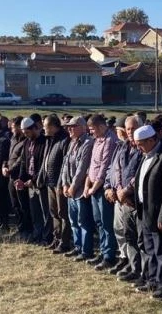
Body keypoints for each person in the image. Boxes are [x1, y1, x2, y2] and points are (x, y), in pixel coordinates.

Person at [133, 124, 162, 299]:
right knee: (149, 249)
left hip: (159, 213)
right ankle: (152, 280)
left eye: (141, 143)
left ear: (152, 140)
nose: (138, 147)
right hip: (144, 210)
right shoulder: (146, 155)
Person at [105, 116, 142, 279]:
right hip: (120, 198)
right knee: (122, 231)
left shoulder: (143, 148)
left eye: (133, 129)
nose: (130, 132)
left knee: (137, 237)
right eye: (128, 129)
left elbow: (139, 173)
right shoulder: (122, 147)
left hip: (134, 200)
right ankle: (128, 262)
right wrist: (114, 188)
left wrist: (125, 191)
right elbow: (116, 170)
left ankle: (139, 269)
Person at [84, 114, 119, 269]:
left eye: (92, 129)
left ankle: (109, 256)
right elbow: (92, 165)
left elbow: (104, 168)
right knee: (98, 222)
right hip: (93, 188)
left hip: (101, 188)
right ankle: (103, 251)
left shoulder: (110, 141)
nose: (91, 132)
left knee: (106, 223)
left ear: (100, 126)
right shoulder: (97, 140)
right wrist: (87, 185)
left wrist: (93, 188)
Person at [61, 116, 95, 260]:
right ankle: (77, 247)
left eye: (73, 126)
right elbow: (65, 165)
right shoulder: (72, 143)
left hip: (80, 190)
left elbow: (82, 168)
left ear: (82, 127)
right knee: (74, 221)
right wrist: (64, 184)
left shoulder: (88, 143)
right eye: (68, 126)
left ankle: (86, 251)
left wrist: (73, 186)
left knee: (83, 222)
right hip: (70, 190)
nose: (69, 129)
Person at [40, 114, 71, 252]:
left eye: (46, 126)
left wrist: (60, 183)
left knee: (63, 213)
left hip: (59, 183)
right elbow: (46, 160)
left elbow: (65, 164)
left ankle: (64, 242)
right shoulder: (50, 140)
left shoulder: (64, 140)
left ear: (53, 127)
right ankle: (56, 238)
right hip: (50, 182)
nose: (43, 129)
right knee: (53, 213)